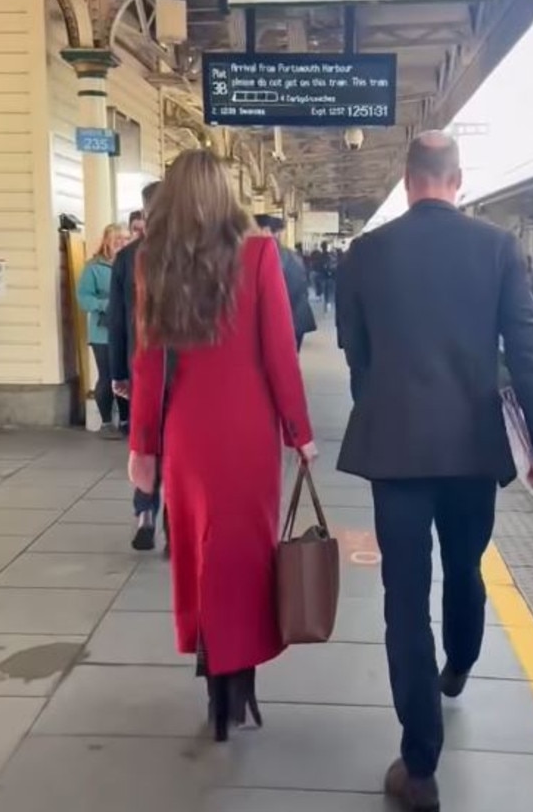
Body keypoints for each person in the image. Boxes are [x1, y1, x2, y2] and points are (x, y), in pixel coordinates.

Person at [336, 131, 533, 812]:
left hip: (398, 452)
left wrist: (384, 412)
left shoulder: (365, 253)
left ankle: (420, 769)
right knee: (465, 567)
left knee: (404, 601)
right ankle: (460, 664)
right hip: (471, 449)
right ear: (456, 181)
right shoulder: (495, 248)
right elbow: (528, 348)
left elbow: (358, 357)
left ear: (409, 182)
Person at [127, 150, 316, 742]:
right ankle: (241, 683)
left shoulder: (152, 263)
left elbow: (149, 364)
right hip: (249, 434)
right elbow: (279, 354)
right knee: (246, 557)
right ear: (226, 195)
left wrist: (144, 446)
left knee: (199, 556)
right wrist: (299, 431)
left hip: (188, 435)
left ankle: (213, 678)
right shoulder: (261, 255)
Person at [107, 180, 162, 550]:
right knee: (175, 446)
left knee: (144, 442)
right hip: (182, 372)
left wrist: (117, 372)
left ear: (145, 213)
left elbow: (116, 318)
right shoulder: (187, 254)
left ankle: (144, 512)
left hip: (139, 365)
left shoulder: (128, 257)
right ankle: (178, 522)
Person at [76, 223, 130, 439]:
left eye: (126, 238)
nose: (122, 243)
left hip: (126, 331)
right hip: (102, 333)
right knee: (107, 376)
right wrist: (106, 304)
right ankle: (107, 423)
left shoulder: (130, 263)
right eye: (117, 238)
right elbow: (83, 298)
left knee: (126, 375)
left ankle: (126, 420)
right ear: (106, 240)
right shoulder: (93, 268)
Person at [255, 215, 317, 351]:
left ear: (265, 230)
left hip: (284, 322)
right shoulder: (291, 255)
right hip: (295, 320)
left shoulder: (270, 256)